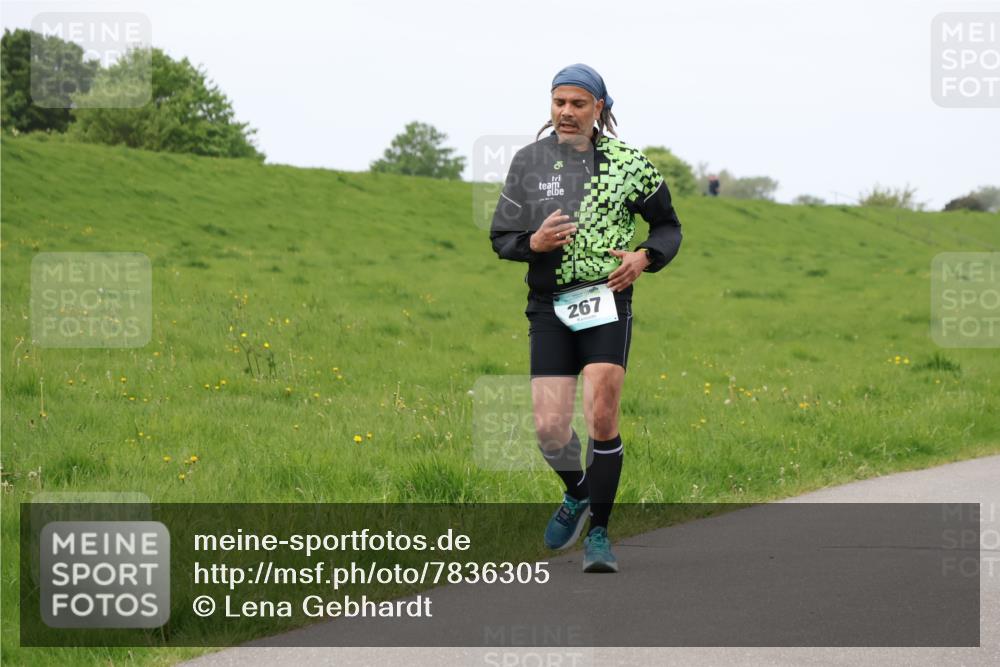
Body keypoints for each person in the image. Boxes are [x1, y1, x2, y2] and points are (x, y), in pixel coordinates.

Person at [489, 63, 683, 572]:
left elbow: (667, 225)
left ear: (600, 108)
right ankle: (577, 492)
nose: (566, 112)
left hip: (606, 301)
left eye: (578, 103)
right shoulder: (529, 162)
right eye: (559, 102)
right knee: (550, 429)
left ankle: (599, 533)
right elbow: (501, 238)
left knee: (601, 414)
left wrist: (644, 257)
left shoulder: (628, 164)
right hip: (549, 306)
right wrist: (531, 243)